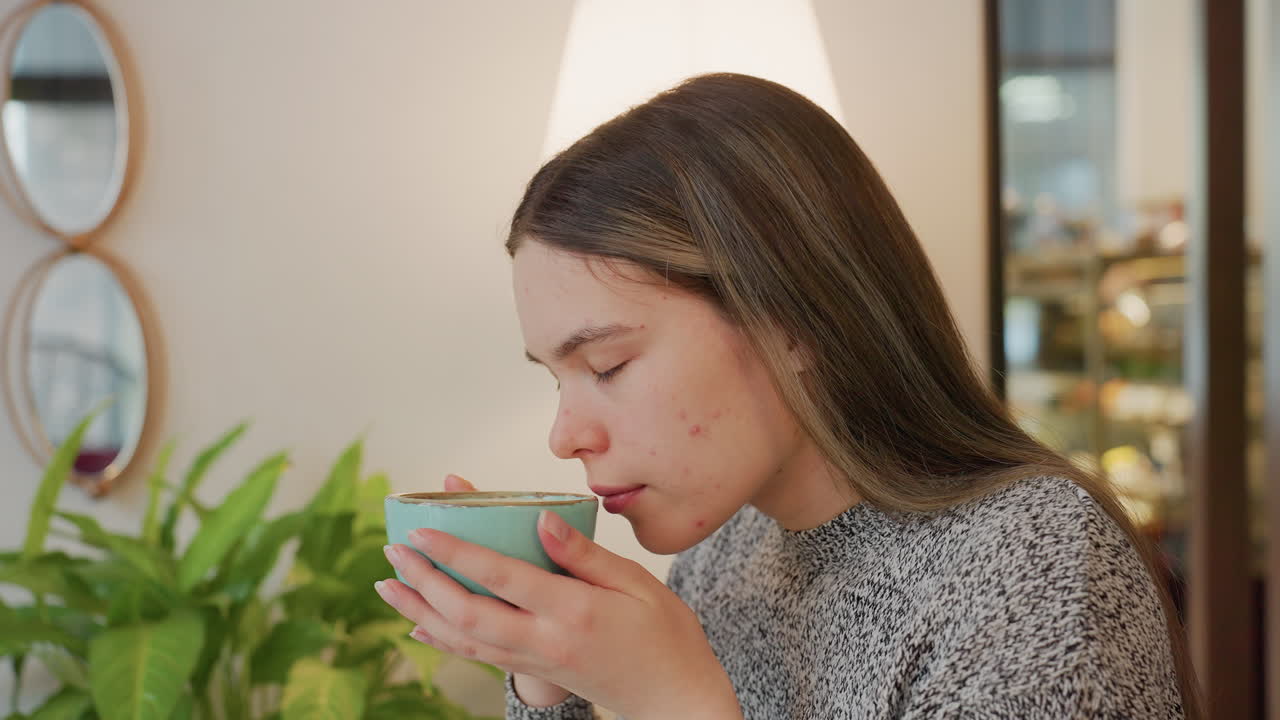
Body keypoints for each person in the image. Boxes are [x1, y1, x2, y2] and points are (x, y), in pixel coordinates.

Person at [374, 72, 1198, 719]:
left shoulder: (1031, 560)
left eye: (608, 365)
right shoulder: (725, 553)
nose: (566, 435)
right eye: (555, 377)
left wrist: (679, 703)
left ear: (793, 319)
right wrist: (549, 681)